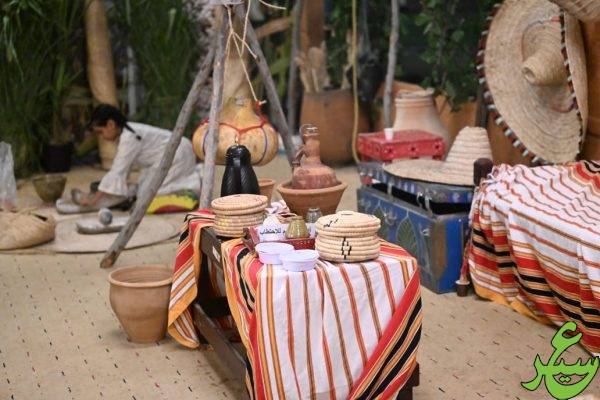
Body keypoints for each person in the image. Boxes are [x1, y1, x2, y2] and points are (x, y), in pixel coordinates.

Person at [81, 104, 200, 208]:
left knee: (148, 195)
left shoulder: (129, 137)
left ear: (111, 124)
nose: (101, 137)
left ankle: (195, 183)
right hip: (172, 154)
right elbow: (123, 169)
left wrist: (94, 200)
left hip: (179, 154)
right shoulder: (126, 132)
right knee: (143, 190)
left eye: (100, 132)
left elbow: (117, 171)